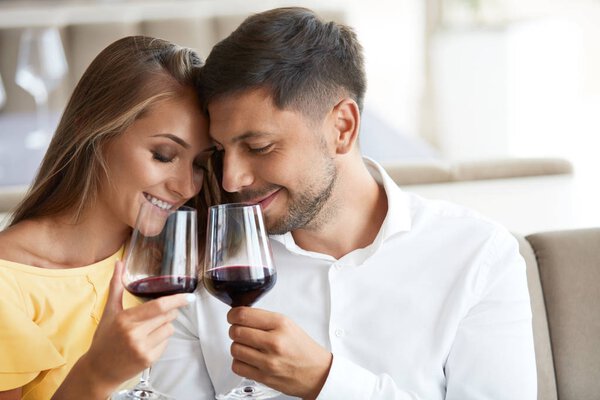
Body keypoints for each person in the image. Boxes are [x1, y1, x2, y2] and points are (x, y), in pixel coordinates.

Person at [151, 7, 537, 399]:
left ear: (343, 127)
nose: (232, 179)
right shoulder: (202, 270)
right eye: (220, 151)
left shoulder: (478, 257)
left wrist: (326, 381)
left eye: (258, 147)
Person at [0, 36, 220, 399]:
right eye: (164, 155)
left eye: (199, 164)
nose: (186, 187)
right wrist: (97, 373)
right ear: (94, 130)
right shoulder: (10, 281)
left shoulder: (174, 262)